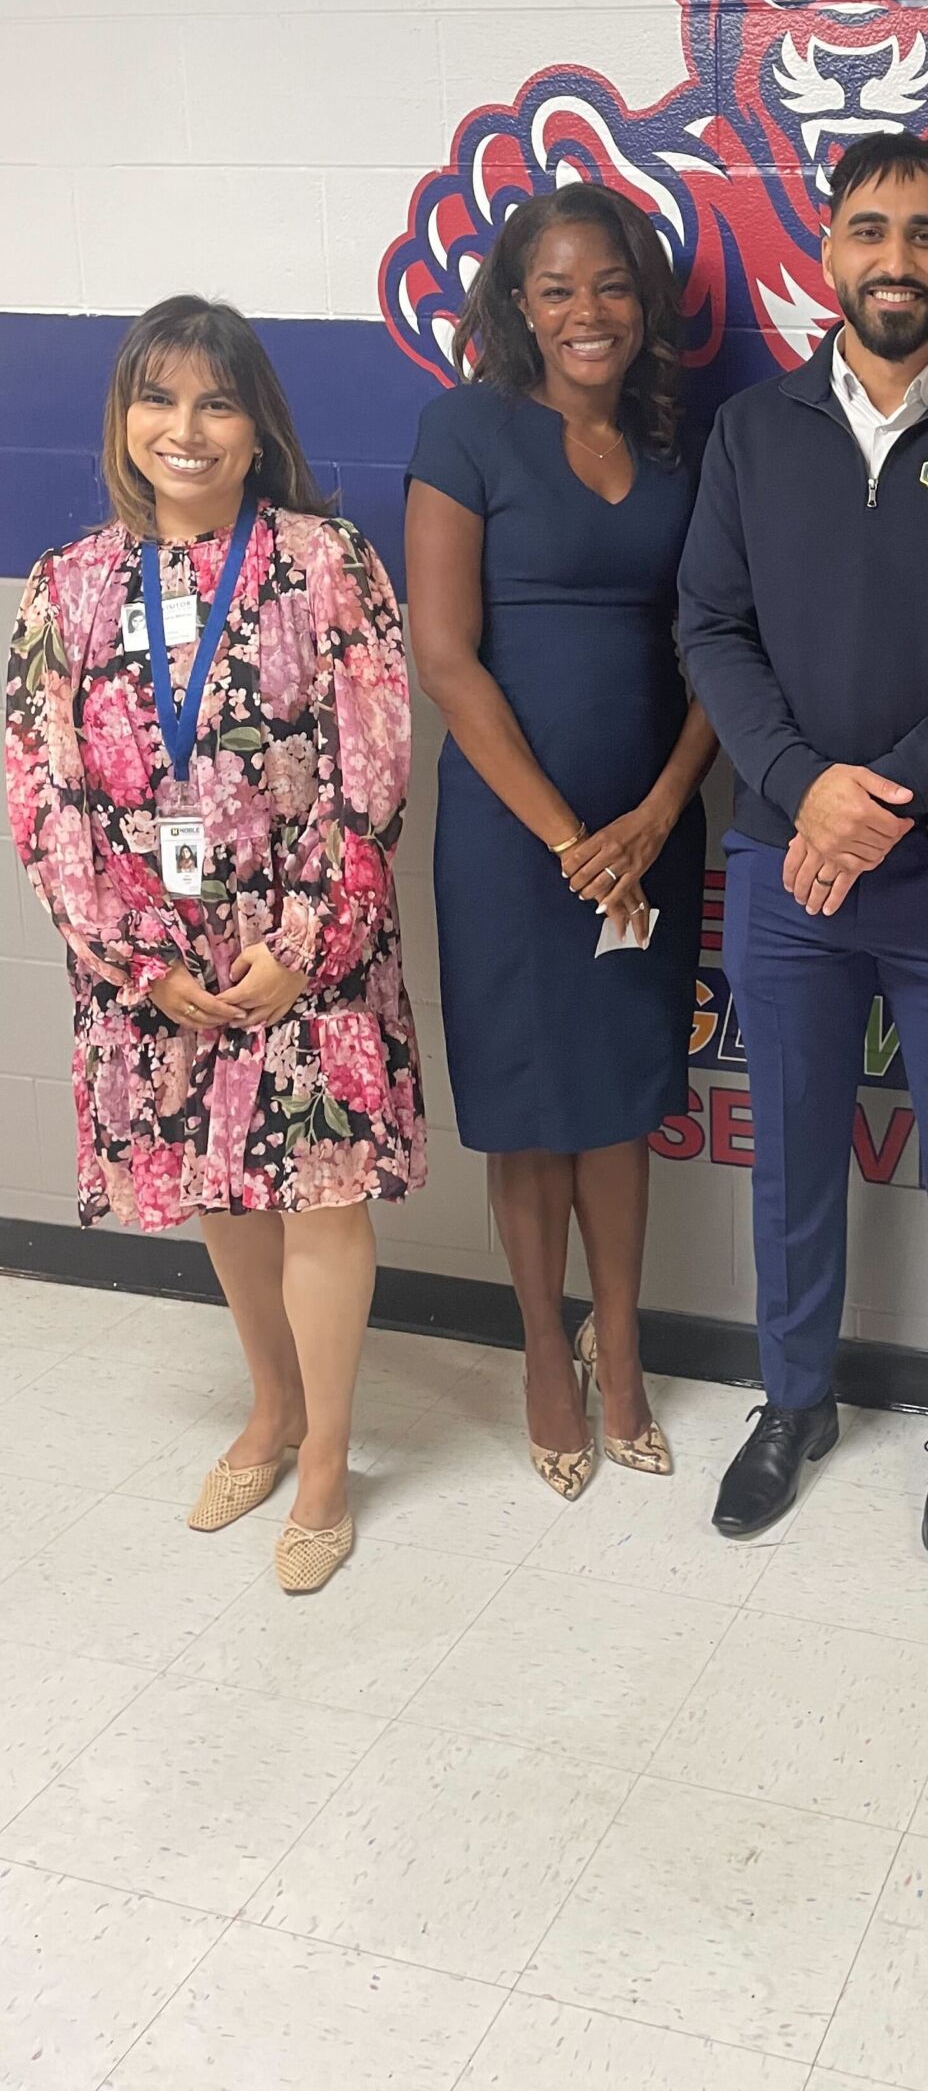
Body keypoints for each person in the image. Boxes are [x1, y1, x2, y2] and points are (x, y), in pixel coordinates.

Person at [678, 131, 928, 1560]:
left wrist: (887, 802)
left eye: (922, 234)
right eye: (868, 231)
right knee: (792, 1151)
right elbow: (711, 630)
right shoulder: (753, 430)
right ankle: (794, 1402)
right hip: (783, 869)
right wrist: (801, 786)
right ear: (830, 250)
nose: (894, 259)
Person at [5, 297, 424, 1594]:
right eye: (158, 400)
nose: (184, 430)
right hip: (160, 980)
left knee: (316, 1195)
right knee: (219, 1193)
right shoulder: (70, 588)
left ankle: (327, 1459)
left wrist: (305, 943)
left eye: (216, 403)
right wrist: (137, 963)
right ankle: (271, 1405)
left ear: (257, 430)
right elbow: (40, 791)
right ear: (125, 420)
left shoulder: (325, 562)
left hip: (312, 960)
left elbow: (377, 765)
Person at [406, 187, 714, 1499]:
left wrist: (651, 818)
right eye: (556, 288)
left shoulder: (681, 464)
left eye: (611, 287)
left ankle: (623, 1343)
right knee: (532, 1115)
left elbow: (717, 658)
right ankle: (544, 1347)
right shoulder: (466, 430)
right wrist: (568, 835)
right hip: (515, 841)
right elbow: (445, 656)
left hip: (649, 839)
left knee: (622, 1107)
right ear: (516, 307)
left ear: (643, 309)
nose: (586, 312)